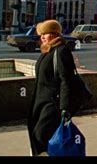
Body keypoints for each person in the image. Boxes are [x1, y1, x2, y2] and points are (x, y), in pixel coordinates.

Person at [27, 19, 80, 156]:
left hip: (53, 103)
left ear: (55, 34)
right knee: (36, 133)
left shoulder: (61, 51)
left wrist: (65, 108)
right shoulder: (46, 51)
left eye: (45, 33)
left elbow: (66, 80)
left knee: (40, 135)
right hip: (40, 101)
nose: (42, 37)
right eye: (41, 34)